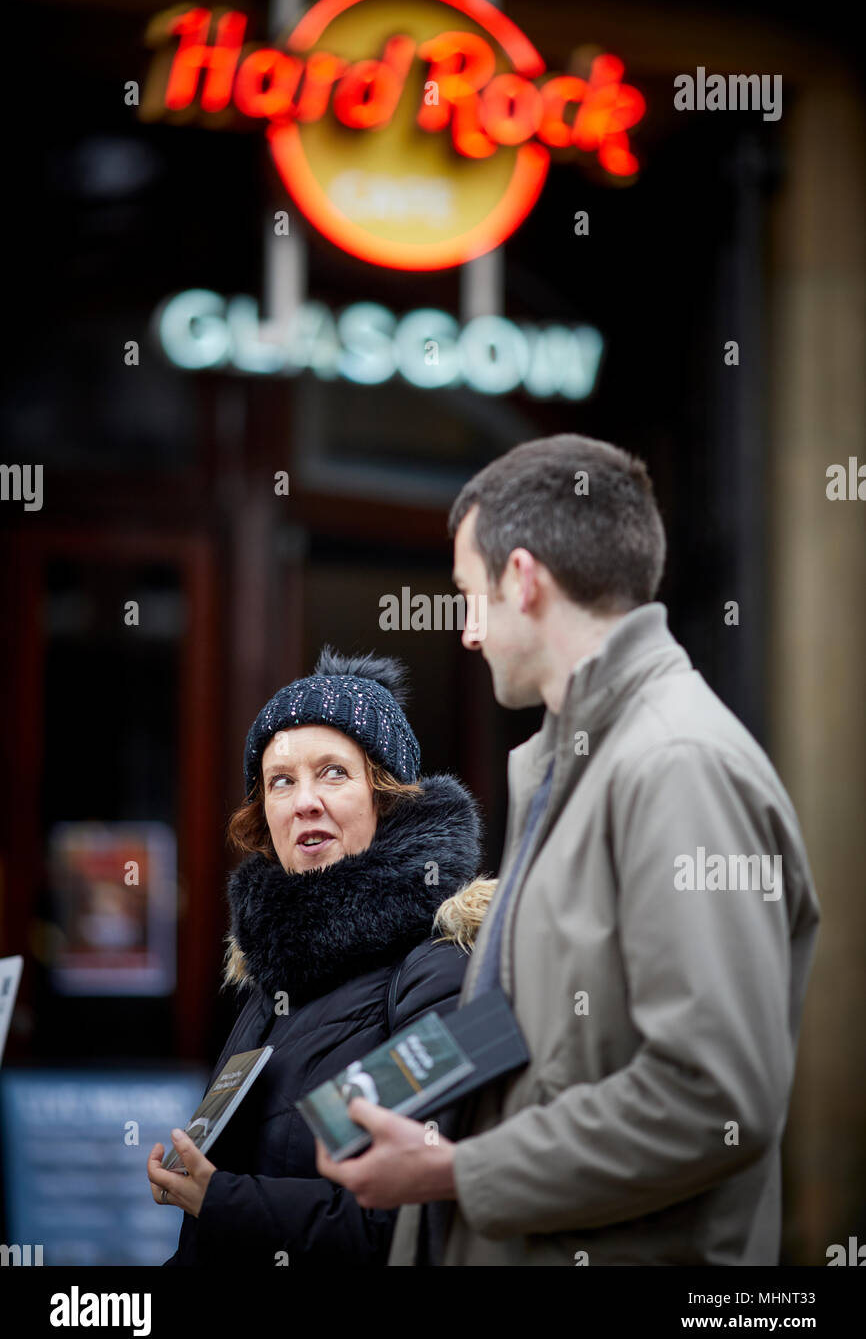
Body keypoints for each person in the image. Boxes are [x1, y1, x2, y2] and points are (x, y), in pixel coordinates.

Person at [317, 433, 821, 1266]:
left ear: (523, 578)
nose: (467, 633)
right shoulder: (579, 760)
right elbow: (530, 1029)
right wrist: (376, 1097)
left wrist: (455, 1171)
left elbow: (713, 1098)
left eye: (469, 595)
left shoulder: (675, 764)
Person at [147, 646, 489, 1266]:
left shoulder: (439, 969)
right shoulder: (271, 975)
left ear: (386, 798)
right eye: (281, 781)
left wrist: (219, 1199)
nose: (304, 800)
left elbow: (405, 1229)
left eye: (333, 772)